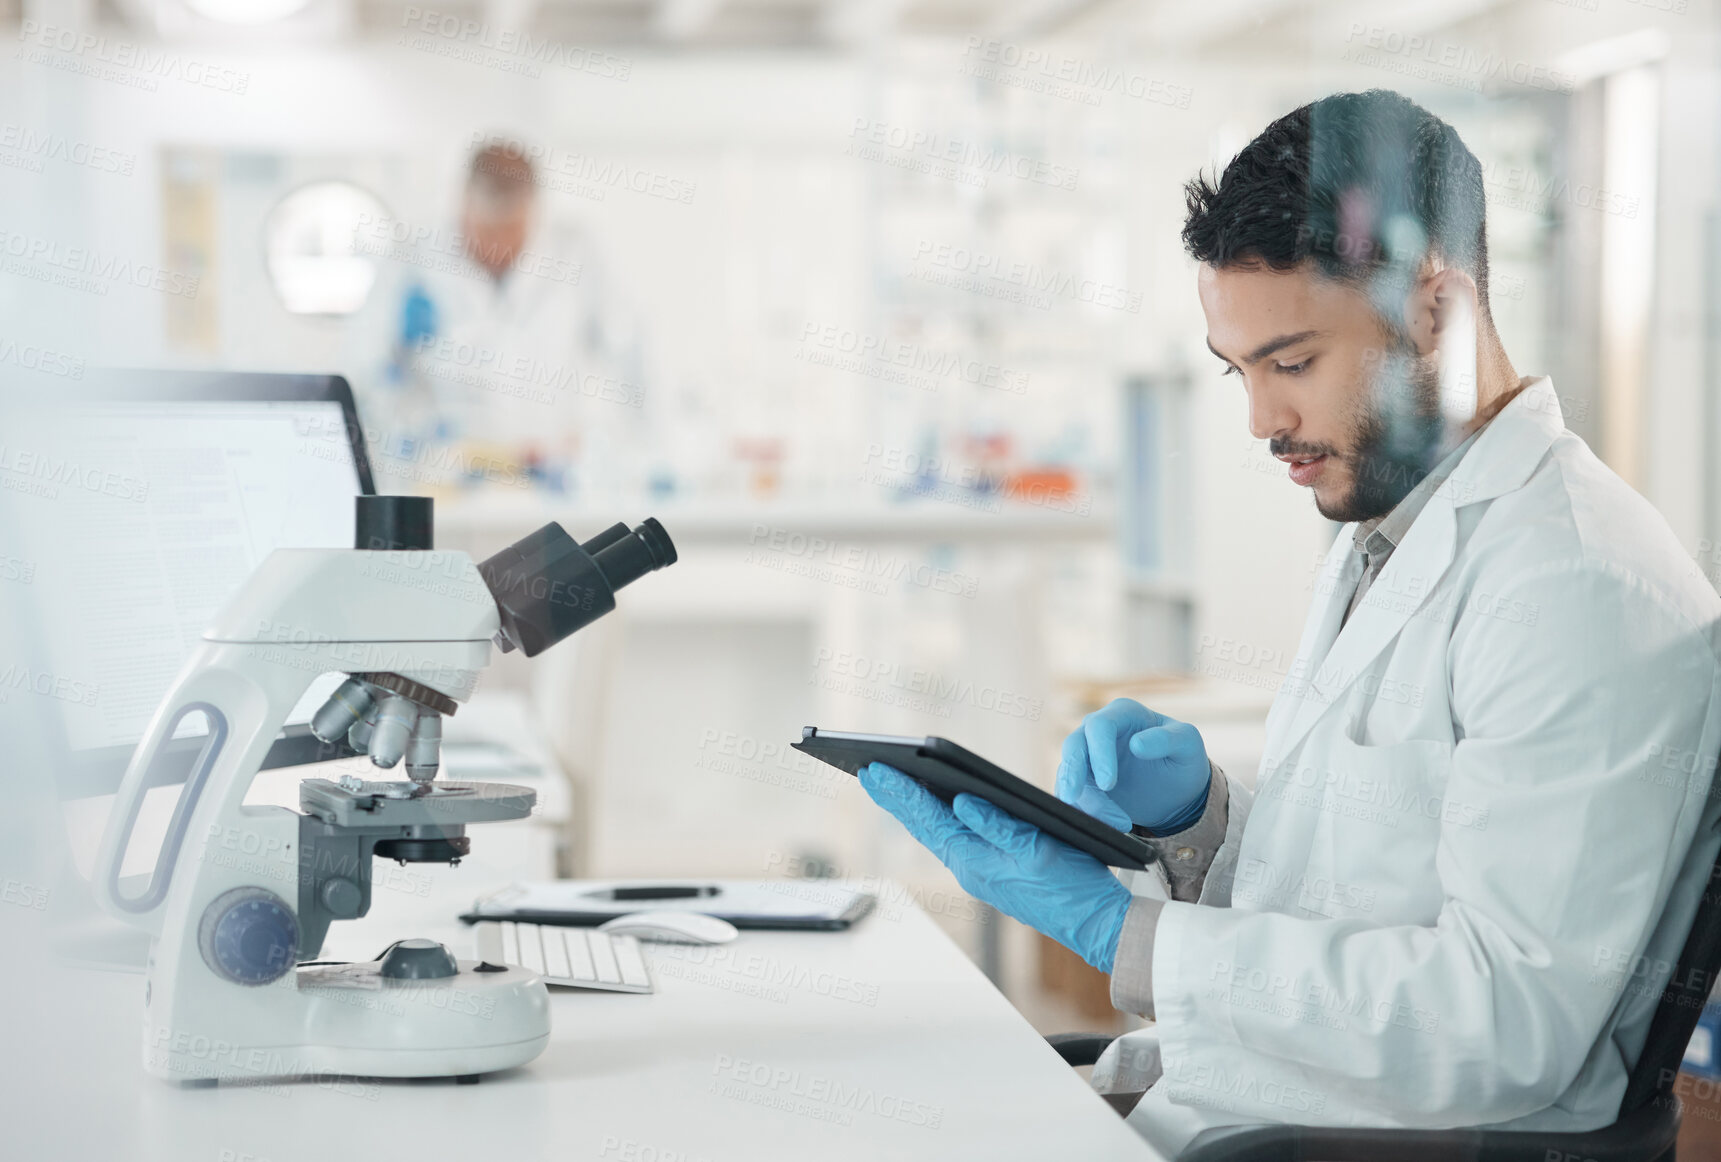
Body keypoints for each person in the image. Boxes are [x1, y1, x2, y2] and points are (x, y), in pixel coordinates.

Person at [859, 89, 1721, 1156]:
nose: (1261, 421)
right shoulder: (1388, 523)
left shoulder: (1577, 588)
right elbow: (1357, 884)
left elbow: (1501, 1025)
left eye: (1293, 363)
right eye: (1240, 371)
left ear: (1435, 315)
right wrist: (1202, 826)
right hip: (1249, 1104)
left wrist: (1116, 931)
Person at [370, 139, 645, 493]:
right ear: (463, 204)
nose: (499, 247)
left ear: (533, 211)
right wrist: (394, 364)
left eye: (511, 232)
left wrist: (635, 452)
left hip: (549, 473)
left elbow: (626, 349)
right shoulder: (414, 257)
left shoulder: (576, 250)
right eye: (487, 232)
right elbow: (369, 371)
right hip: (448, 478)